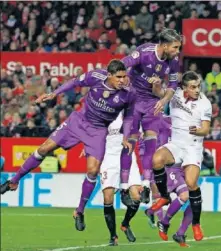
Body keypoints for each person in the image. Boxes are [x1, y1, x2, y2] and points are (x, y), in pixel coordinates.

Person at [1, 60, 136, 232]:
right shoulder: (95, 76)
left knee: (93, 171)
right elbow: (74, 82)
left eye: (124, 76)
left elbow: (130, 116)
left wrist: (126, 136)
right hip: (77, 122)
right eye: (119, 77)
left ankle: (79, 211)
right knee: (44, 149)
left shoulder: (129, 93)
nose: (123, 80)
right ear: (109, 75)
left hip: (98, 131)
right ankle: (14, 181)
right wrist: (54, 93)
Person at [119, 28, 182, 209]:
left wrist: (163, 100)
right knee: (130, 142)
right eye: (175, 47)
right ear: (164, 45)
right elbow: (124, 64)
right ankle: (124, 188)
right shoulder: (145, 51)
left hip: (152, 103)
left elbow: (173, 85)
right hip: (134, 100)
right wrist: (123, 81)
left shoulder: (173, 61)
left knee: (151, 144)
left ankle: (146, 185)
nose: (177, 52)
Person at [150, 71, 211, 241]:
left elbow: (206, 129)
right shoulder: (175, 95)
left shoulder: (205, 103)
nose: (197, 90)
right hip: (176, 144)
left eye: (198, 86)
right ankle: (164, 196)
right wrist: (155, 84)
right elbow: (160, 93)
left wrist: (199, 131)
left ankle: (196, 223)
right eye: (193, 87)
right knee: (157, 160)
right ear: (184, 87)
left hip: (193, 146)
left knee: (191, 184)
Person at [97, 112, 148, 246]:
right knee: (108, 198)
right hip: (109, 158)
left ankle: (125, 224)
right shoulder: (106, 112)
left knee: (136, 197)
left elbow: (141, 138)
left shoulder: (134, 116)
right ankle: (113, 236)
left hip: (128, 157)